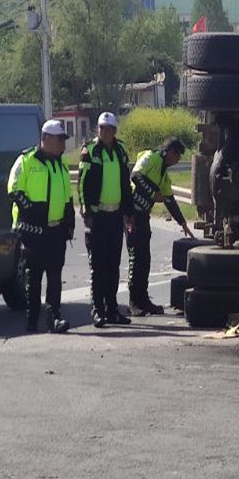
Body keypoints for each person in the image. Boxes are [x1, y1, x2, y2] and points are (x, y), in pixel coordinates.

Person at [7, 120, 74, 334]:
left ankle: (54, 318)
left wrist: (69, 222)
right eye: (60, 140)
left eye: (64, 140)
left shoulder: (61, 164)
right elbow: (14, 189)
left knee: (55, 277)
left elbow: (67, 197)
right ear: (45, 139)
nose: (63, 144)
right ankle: (31, 318)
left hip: (55, 231)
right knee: (33, 277)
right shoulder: (26, 161)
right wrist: (31, 211)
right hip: (32, 231)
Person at [127, 138, 195, 315]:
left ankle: (143, 299)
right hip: (132, 215)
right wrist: (152, 193)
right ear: (169, 152)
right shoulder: (150, 158)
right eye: (177, 156)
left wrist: (182, 222)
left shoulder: (164, 174)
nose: (178, 160)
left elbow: (169, 199)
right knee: (136, 259)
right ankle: (134, 302)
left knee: (145, 260)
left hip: (143, 217)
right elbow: (135, 175)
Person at [79, 112, 135, 328]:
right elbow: (83, 184)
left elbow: (125, 184)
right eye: (102, 128)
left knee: (113, 266)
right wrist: (87, 212)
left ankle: (113, 310)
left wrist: (129, 213)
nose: (105, 132)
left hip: (115, 217)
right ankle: (98, 310)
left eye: (109, 129)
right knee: (98, 266)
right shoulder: (90, 151)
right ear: (98, 130)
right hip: (98, 216)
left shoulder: (120, 151)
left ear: (114, 131)